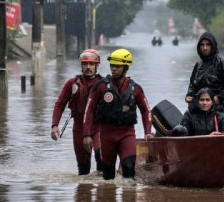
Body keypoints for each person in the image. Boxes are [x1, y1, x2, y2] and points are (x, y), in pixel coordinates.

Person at [83, 48, 153, 180]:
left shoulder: (136, 88)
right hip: (106, 134)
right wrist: (87, 134)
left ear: (126, 67)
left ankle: (129, 198)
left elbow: (146, 110)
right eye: (112, 65)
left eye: (117, 66)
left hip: (127, 133)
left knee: (128, 168)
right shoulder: (100, 87)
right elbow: (89, 110)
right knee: (108, 176)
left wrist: (148, 131)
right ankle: (108, 198)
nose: (113, 69)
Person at [50, 49, 103, 175]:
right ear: (81, 65)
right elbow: (59, 105)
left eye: (91, 64)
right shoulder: (72, 83)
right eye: (85, 64)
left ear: (97, 66)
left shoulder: (105, 84)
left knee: (101, 155)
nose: (88, 67)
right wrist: (54, 125)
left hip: (98, 126)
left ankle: (104, 191)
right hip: (79, 127)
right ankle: (84, 192)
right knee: (83, 168)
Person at [185, 32, 224, 129]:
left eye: (208, 45)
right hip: (199, 115)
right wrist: (189, 96)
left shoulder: (223, 63)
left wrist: (220, 98)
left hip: (221, 112)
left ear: (213, 46)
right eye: (202, 45)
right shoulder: (198, 65)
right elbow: (192, 84)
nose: (205, 48)